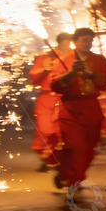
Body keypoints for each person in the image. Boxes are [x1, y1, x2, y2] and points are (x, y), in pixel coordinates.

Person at [50, 28, 106, 189]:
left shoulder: (99, 60)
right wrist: (71, 73)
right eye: (84, 40)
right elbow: (55, 85)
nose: (88, 44)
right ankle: (75, 180)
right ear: (74, 42)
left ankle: (66, 173)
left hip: (91, 108)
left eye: (90, 41)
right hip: (70, 109)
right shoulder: (63, 60)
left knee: (89, 147)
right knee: (75, 146)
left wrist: (91, 75)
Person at [29, 32, 72, 171]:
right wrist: (45, 69)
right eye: (66, 41)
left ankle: (56, 160)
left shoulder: (74, 57)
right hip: (46, 98)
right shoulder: (46, 57)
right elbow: (34, 76)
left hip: (66, 98)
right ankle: (46, 157)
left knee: (62, 130)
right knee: (45, 129)